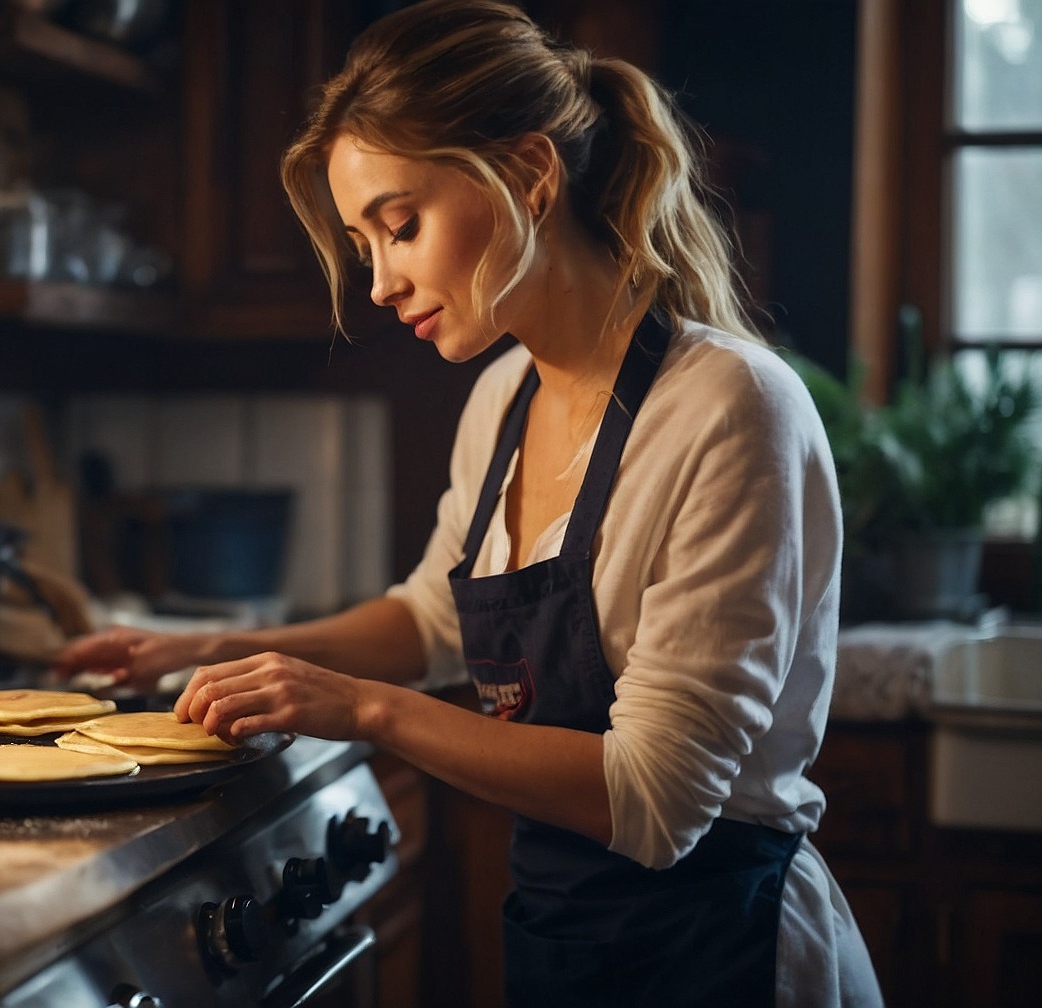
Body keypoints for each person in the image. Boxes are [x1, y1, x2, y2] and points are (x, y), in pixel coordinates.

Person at [56, 2, 882, 1004]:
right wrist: (195, 652)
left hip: (721, 951)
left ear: (530, 176)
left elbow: (655, 801)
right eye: (365, 244)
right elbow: (433, 622)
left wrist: (364, 711)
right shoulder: (505, 394)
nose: (380, 282)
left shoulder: (728, 405)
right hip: (559, 940)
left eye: (400, 226)